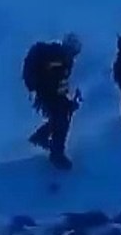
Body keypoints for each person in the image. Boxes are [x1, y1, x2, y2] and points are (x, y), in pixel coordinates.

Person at [23, 32, 82, 169]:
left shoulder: (64, 59)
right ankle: (56, 154)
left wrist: (68, 100)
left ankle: (41, 137)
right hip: (47, 93)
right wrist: (63, 98)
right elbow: (53, 79)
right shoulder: (59, 58)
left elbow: (59, 81)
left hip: (49, 93)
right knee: (61, 120)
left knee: (62, 117)